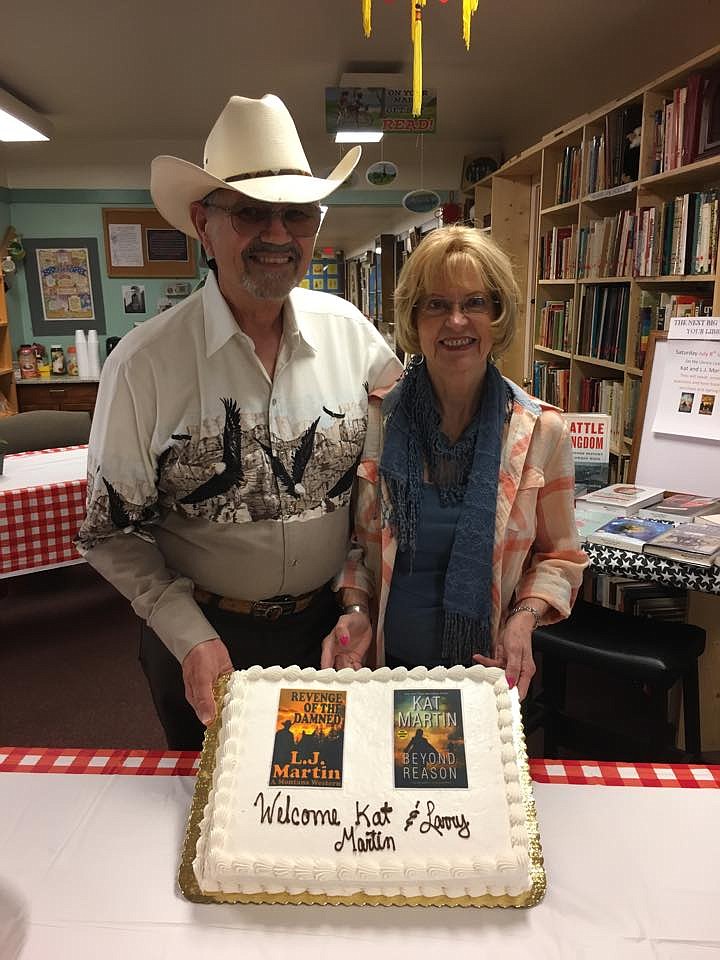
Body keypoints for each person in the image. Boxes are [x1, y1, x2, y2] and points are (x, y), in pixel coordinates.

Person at [76, 95, 403, 748]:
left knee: (316, 804)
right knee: (215, 821)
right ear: (204, 223)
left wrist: (359, 602)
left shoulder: (355, 340)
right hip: (201, 635)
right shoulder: (143, 366)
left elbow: (386, 491)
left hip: (327, 631)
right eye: (252, 212)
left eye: (297, 215)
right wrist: (187, 633)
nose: (278, 236)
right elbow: (110, 534)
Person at [330, 226, 587, 698]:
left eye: (474, 303)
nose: (456, 321)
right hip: (384, 669)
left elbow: (560, 557)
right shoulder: (377, 421)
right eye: (436, 304)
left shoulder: (540, 433)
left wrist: (523, 619)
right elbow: (352, 546)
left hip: (484, 673)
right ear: (414, 318)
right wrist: (357, 611)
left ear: (498, 314)